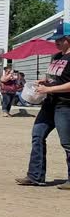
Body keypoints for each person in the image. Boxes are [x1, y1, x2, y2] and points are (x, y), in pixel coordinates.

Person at [16, 23, 70, 190]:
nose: (57, 43)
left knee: (67, 143)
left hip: (65, 106)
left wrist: (49, 88)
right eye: (56, 40)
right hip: (49, 104)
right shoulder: (56, 57)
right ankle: (35, 176)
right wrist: (45, 82)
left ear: (68, 39)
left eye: (60, 40)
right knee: (37, 136)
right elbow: (57, 79)